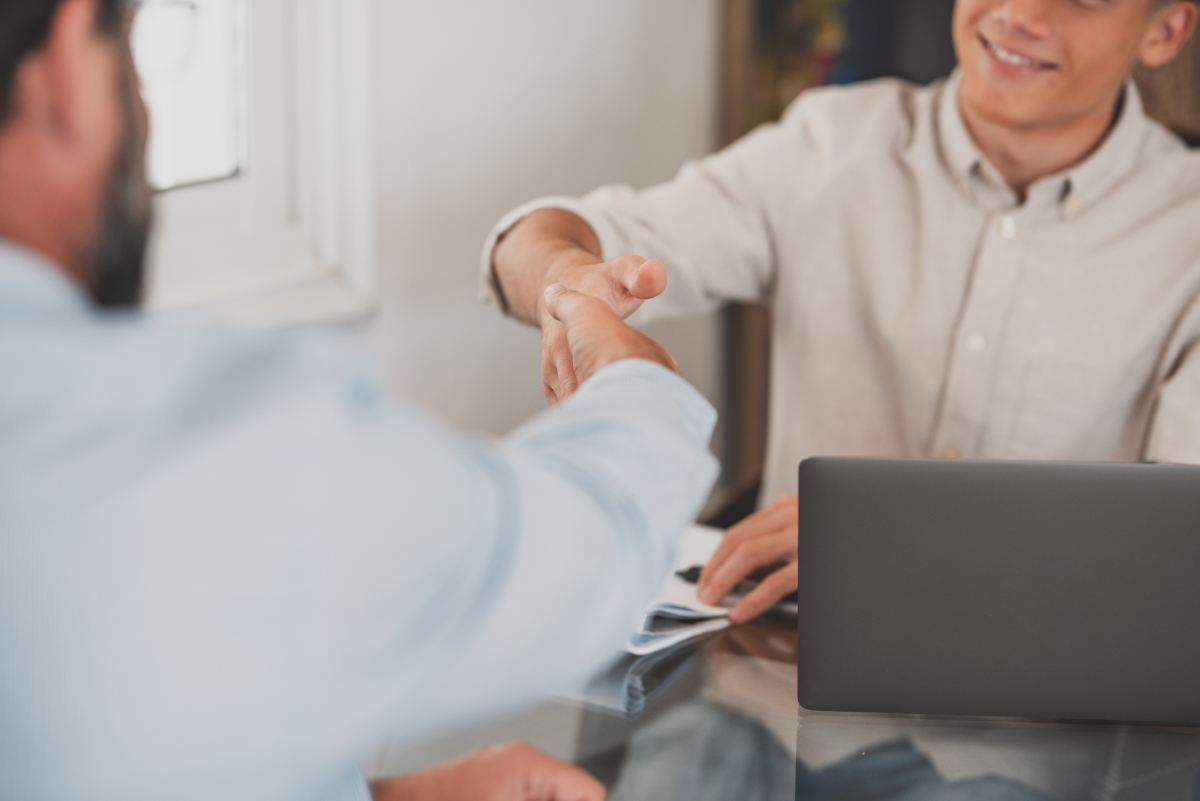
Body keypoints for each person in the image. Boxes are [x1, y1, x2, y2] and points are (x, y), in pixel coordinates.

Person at [0, 1, 719, 800]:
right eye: (130, 56)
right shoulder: (215, 448)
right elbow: (587, 546)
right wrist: (633, 371)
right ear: (68, 62)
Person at [485, 0, 1200, 623]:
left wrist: (900, 536)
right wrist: (568, 283)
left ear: (1164, 31)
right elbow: (540, 237)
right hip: (779, 663)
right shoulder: (828, 145)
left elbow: (1174, 544)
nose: (1019, 13)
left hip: (1039, 723)